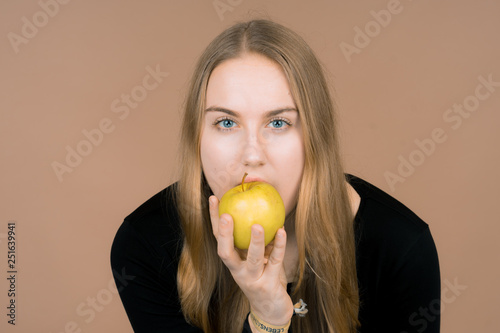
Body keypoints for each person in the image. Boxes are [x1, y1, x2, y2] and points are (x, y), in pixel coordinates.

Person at [110, 19, 441, 333]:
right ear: (196, 136)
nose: (252, 154)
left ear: (315, 136)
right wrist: (268, 319)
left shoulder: (399, 248)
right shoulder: (147, 244)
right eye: (226, 122)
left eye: (279, 122)